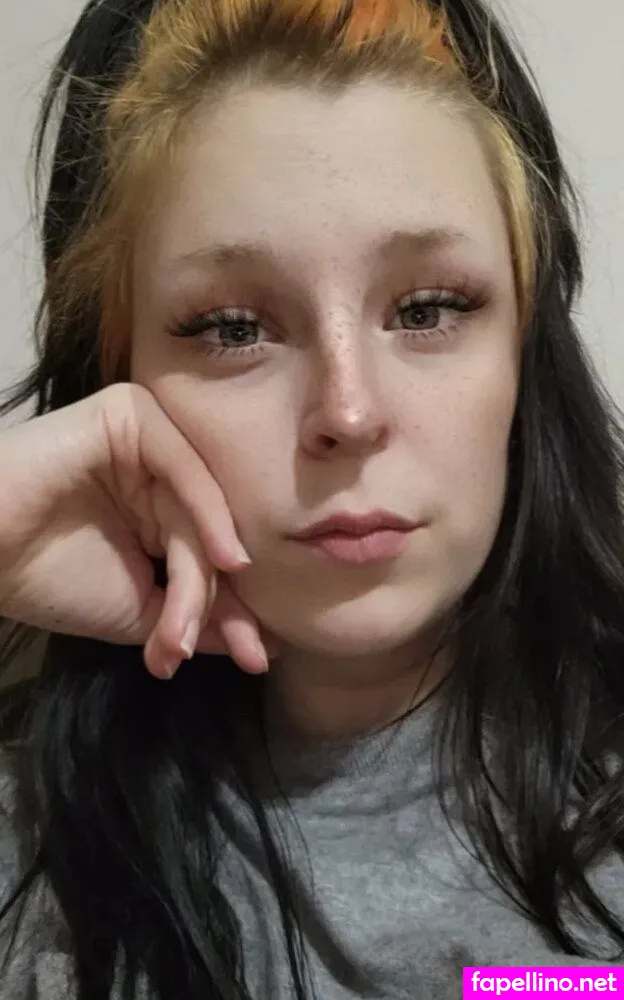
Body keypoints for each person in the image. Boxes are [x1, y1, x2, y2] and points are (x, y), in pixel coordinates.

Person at [0, 0, 623, 996]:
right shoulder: (28, 851)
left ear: (526, 354)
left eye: (429, 308)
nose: (348, 412)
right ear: (118, 380)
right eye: (233, 328)